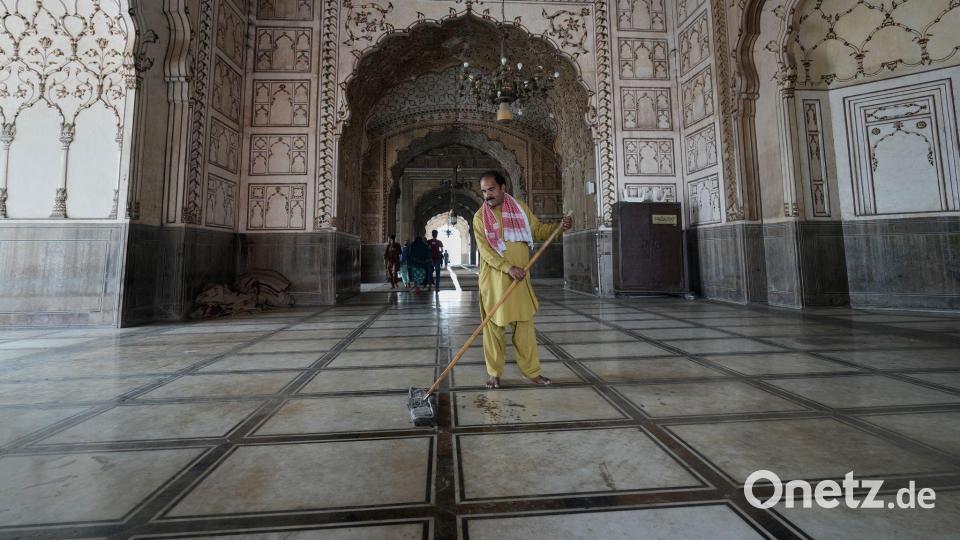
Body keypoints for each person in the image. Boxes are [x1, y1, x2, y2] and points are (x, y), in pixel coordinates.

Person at [473, 171, 572, 388]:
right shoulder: (480, 218)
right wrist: (508, 268)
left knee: (525, 328)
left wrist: (558, 227)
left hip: (520, 281)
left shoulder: (520, 209)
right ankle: (494, 373)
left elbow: (536, 231)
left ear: (502, 188)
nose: (487, 195)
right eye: (483, 191)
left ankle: (532, 372)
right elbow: (486, 252)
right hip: (494, 283)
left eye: (491, 189)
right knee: (494, 330)